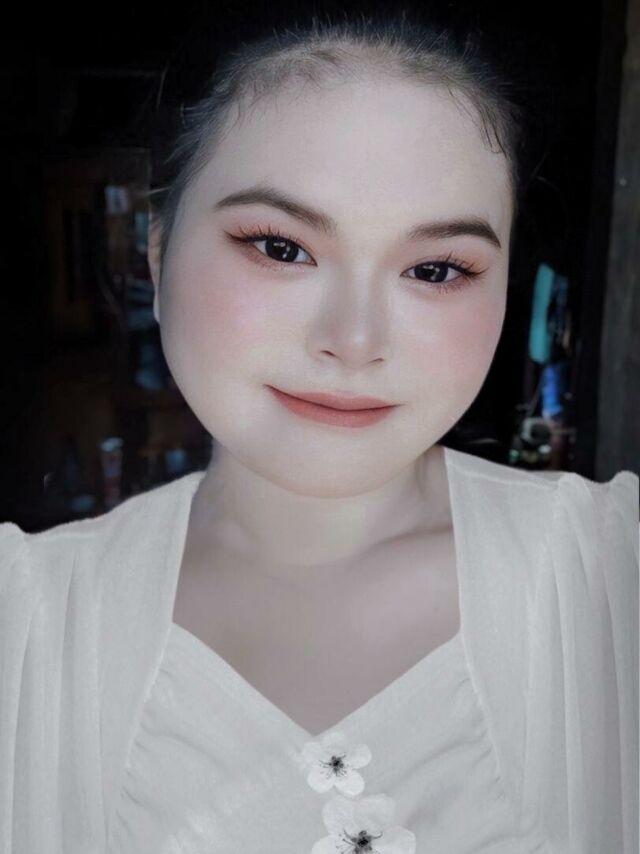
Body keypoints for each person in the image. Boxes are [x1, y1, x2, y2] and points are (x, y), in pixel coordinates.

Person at [1, 11, 638, 854]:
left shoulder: (608, 578)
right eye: (280, 247)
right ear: (157, 253)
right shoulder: (27, 625)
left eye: (436, 269)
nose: (355, 339)